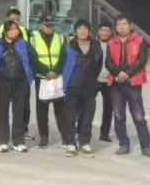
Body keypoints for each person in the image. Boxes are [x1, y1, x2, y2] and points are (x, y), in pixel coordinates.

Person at [105, 15, 150, 159]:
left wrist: (127, 74)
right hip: (116, 83)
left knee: (139, 116)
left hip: (133, 83)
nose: (121, 27)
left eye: (124, 24)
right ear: (115, 27)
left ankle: (146, 146)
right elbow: (108, 63)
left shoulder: (139, 41)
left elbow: (142, 60)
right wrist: (118, 73)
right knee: (118, 115)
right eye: (119, 25)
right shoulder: (111, 43)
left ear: (130, 26)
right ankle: (123, 144)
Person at [57, 20, 103, 155]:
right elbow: (61, 64)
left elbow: (99, 64)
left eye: (85, 29)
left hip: (90, 87)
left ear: (89, 31)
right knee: (70, 116)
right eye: (80, 28)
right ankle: (70, 143)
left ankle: (84, 142)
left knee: (88, 115)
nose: (82, 31)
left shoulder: (96, 46)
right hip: (73, 86)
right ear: (76, 31)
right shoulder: (68, 46)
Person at [32, 15, 75, 153]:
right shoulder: (33, 39)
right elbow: (33, 59)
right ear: (40, 25)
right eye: (46, 25)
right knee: (42, 110)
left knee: (61, 109)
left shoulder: (60, 38)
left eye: (51, 25)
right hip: (42, 78)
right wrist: (46, 72)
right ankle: (44, 137)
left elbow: (63, 57)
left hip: (57, 78)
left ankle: (66, 138)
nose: (49, 27)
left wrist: (56, 71)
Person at [0, 20, 34, 152]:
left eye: (15, 28)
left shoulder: (23, 44)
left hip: (20, 81)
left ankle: (18, 141)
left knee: (19, 111)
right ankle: (3, 141)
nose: (13, 31)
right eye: (10, 29)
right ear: (5, 30)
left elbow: (32, 59)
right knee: (2, 111)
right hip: (3, 81)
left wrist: (29, 75)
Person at [96, 22, 115, 142]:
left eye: (107, 30)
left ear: (111, 32)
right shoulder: (93, 44)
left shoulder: (114, 44)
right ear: (98, 31)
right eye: (102, 30)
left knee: (108, 108)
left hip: (109, 80)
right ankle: (81, 130)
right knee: (86, 106)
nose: (105, 33)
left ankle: (104, 133)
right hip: (94, 80)